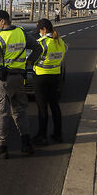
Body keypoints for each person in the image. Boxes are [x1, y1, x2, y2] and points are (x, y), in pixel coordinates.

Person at [0, 10, 43, 159]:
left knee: (1, 112)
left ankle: (1, 148)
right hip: (19, 78)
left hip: (4, 80)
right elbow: (38, 48)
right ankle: (26, 144)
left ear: (3, 21)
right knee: (20, 111)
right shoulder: (21, 33)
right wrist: (30, 61)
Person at [32, 18, 66, 146]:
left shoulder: (42, 43)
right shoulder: (60, 41)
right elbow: (63, 53)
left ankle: (42, 136)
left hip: (41, 77)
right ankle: (58, 134)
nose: (39, 33)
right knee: (55, 106)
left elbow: (32, 58)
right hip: (55, 76)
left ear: (44, 29)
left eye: (40, 30)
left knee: (42, 108)